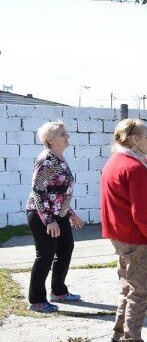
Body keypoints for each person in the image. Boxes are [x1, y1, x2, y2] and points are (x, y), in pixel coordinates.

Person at [101, 119, 147, 342]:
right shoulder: (134, 168)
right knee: (141, 292)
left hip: (119, 235)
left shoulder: (114, 162)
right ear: (133, 139)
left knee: (128, 287)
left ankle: (119, 339)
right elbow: (141, 214)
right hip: (135, 237)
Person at [25, 121, 85, 313]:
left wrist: (70, 213)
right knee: (45, 256)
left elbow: (60, 192)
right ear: (50, 140)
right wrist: (49, 220)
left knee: (66, 248)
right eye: (62, 134)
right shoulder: (46, 160)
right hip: (41, 215)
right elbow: (38, 191)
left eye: (65, 133)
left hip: (59, 214)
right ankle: (36, 300)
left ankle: (59, 291)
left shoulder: (59, 158)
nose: (67, 136)